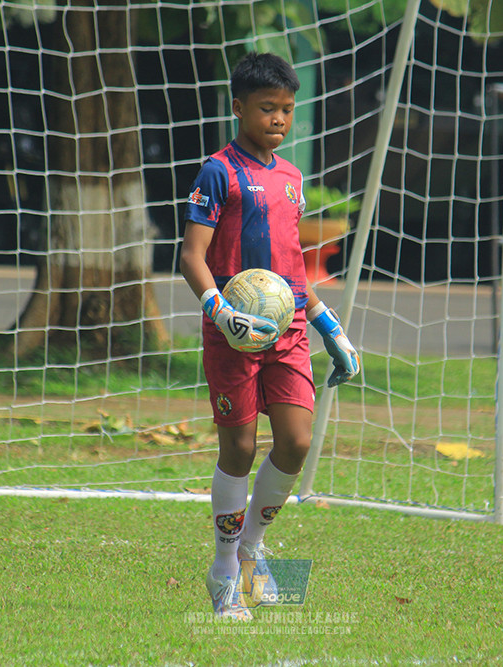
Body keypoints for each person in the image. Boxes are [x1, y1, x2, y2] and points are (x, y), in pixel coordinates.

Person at [180, 52, 361, 621]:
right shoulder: (218, 171)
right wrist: (218, 308)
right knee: (238, 448)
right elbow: (190, 257)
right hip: (232, 333)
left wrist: (329, 324)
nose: (278, 118)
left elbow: (290, 269)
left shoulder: (292, 178)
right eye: (266, 108)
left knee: (297, 442)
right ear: (239, 109)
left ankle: (254, 551)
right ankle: (224, 571)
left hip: (287, 332)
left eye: (286, 109)